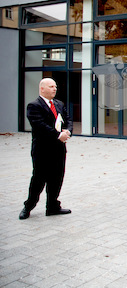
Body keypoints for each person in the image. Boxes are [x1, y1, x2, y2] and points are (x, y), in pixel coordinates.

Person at [19, 78, 73, 220]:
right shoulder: (34, 105)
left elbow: (67, 119)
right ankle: (28, 206)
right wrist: (58, 135)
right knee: (38, 179)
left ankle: (53, 206)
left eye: (55, 86)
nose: (54, 89)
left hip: (59, 149)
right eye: (51, 86)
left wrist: (67, 131)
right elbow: (39, 125)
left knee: (57, 178)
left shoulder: (59, 104)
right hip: (42, 150)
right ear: (42, 88)